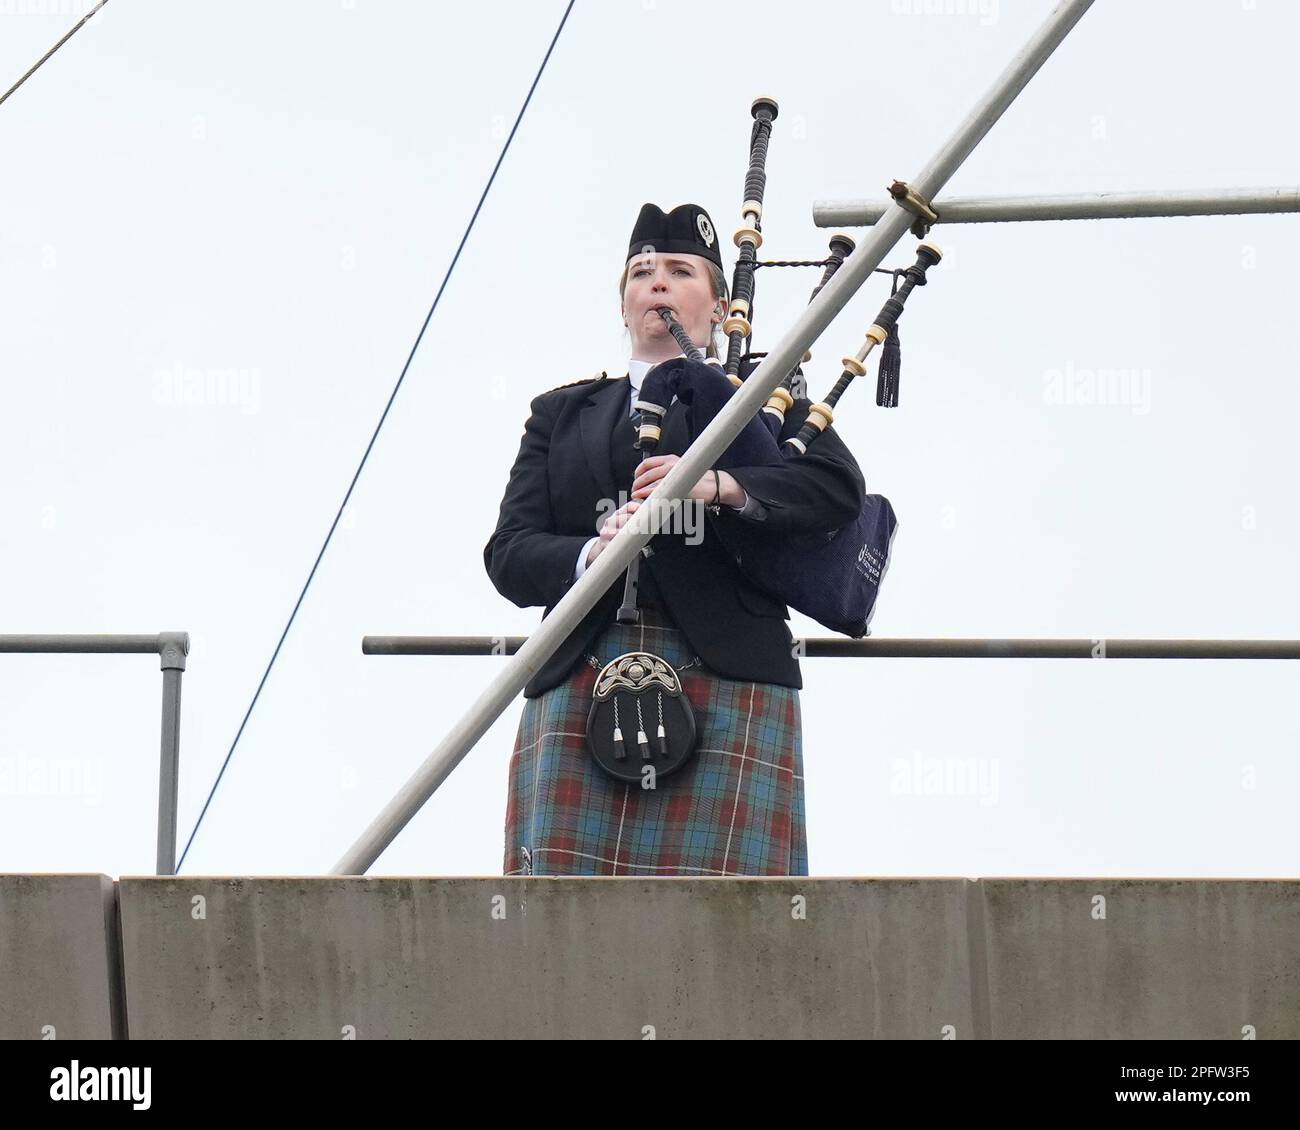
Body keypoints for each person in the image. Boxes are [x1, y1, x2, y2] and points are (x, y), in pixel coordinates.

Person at [483, 202, 866, 877]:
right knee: (559, 933)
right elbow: (510, 553)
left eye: (680, 270)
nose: (655, 282)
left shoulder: (761, 402)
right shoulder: (560, 414)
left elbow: (837, 490)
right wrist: (589, 554)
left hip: (730, 671)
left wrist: (720, 486)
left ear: (718, 307)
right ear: (623, 304)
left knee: (734, 928)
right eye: (640, 271)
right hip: (580, 667)